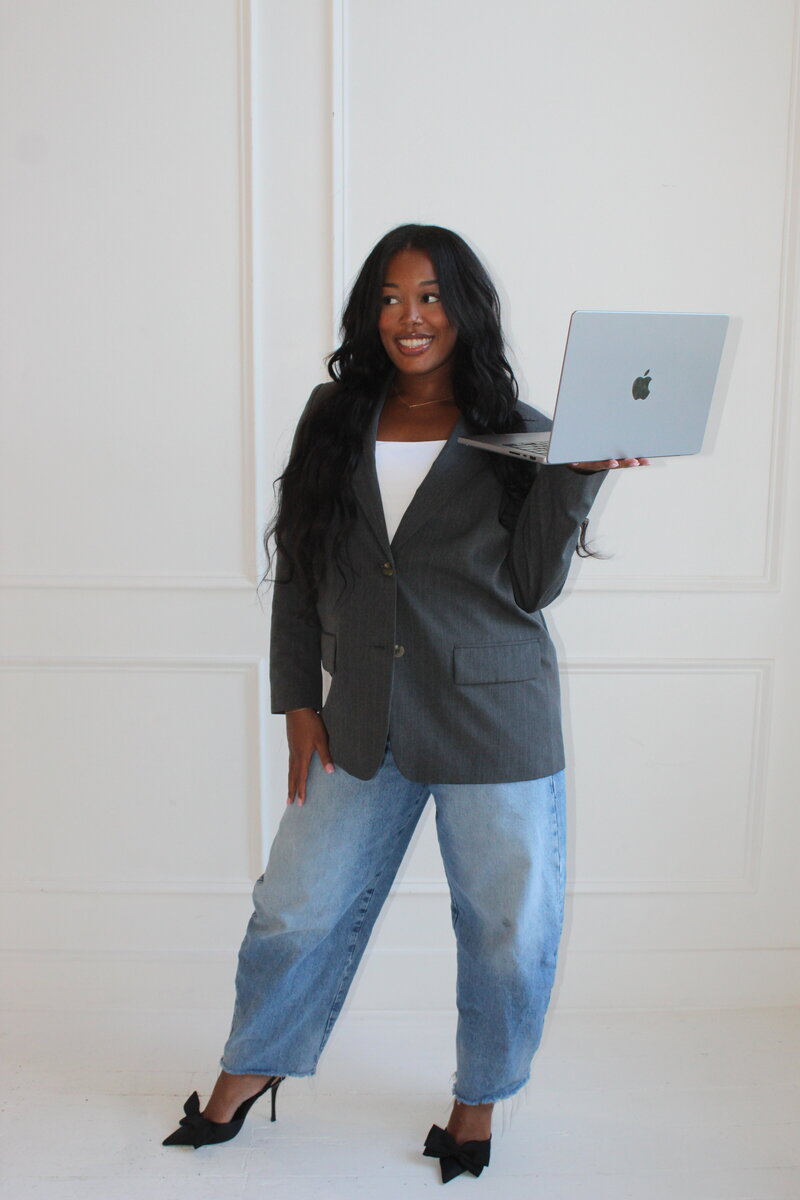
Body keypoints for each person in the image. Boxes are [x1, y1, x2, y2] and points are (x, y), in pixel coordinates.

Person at [162, 224, 648, 1183]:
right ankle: (254, 1066)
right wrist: (299, 702)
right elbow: (300, 565)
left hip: (495, 720)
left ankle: (480, 1099)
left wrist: (578, 479)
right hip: (360, 717)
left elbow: (533, 586)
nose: (409, 317)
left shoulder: (524, 428)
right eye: (390, 298)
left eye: (429, 297)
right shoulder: (334, 415)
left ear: (463, 309)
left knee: (506, 928)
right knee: (295, 908)